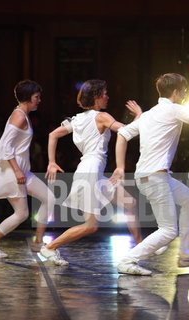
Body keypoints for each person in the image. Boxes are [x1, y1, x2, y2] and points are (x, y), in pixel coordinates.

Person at [111, 73, 189, 275]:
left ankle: (185, 255)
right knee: (169, 230)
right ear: (176, 92)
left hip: (155, 176)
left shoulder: (149, 114)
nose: (186, 94)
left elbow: (123, 134)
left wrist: (119, 166)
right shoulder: (173, 110)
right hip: (154, 177)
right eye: (185, 91)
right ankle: (127, 260)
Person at [40, 79, 143, 266]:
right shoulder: (101, 116)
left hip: (93, 173)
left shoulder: (78, 119)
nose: (107, 97)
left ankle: (141, 249)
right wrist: (139, 116)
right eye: (105, 93)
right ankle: (49, 248)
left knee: (130, 203)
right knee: (90, 225)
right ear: (96, 96)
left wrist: (52, 162)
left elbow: (52, 135)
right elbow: (127, 131)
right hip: (90, 173)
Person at [0, 80, 54, 258]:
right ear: (28, 98)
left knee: (49, 197)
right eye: (36, 97)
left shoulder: (23, 114)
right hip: (15, 173)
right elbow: (4, 146)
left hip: (21, 172)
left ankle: (38, 242)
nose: (39, 100)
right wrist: (15, 171)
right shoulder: (19, 116)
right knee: (21, 214)